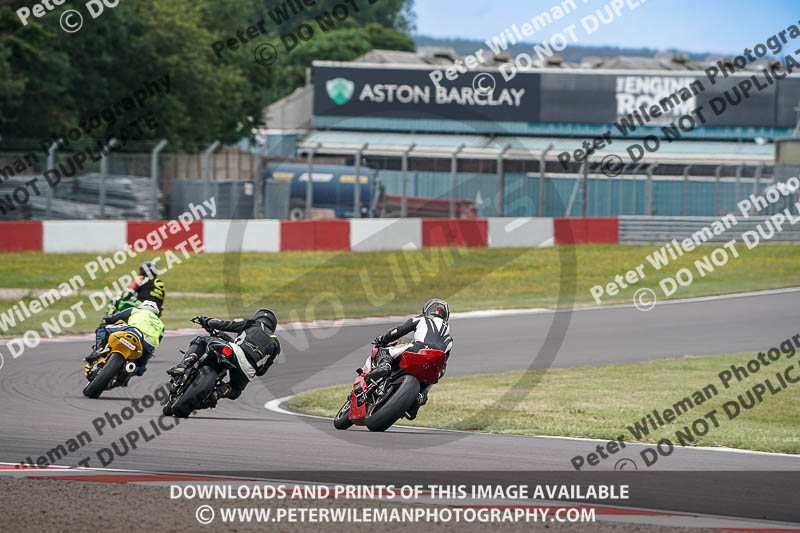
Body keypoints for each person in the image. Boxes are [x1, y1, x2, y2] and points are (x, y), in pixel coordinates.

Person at [167, 309, 281, 404]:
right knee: (235, 390)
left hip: (235, 351)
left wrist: (206, 320)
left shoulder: (252, 323)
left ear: (257, 317)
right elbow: (262, 371)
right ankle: (220, 391)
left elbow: (226, 325)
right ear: (273, 326)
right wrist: (255, 368)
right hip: (248, 368)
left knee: (201, 340)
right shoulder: (276, 343)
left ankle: (184, 365)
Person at [366, 298, 453, 420]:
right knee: (436, 374)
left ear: (427, 309)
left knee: (384, 351)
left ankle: (385, 366)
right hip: (436, 361)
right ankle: (420, 396)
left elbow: (398, 331)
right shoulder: (449, 338)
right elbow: (444, 366)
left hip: (418, 348)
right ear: (446, 315)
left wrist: (382, 339)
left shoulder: (421, 318)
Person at [88, 300, 165, 381]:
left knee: (103, 328)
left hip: (133, 332)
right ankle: (131, 370)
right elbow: (158, 342)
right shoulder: (161, 325)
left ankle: (98, 350)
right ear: (156, 313)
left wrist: (106, 318)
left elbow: (114, 317)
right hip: (148, 345)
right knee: (141, 369)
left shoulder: (136, 310)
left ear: (142, 307)